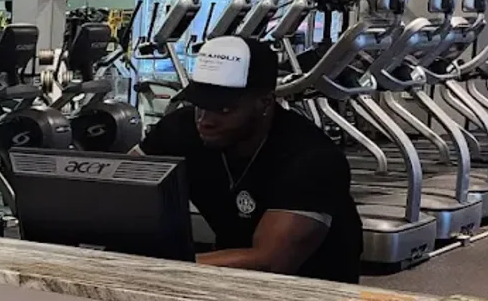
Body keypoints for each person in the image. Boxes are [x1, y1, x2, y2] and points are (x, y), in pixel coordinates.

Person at [137, 36, 363, 282]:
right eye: (200, 105)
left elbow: (269, 261)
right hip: (228, 275)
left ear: (264, 103)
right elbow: (119, 183)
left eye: (224, 109)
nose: (205, 120)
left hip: (314, 290)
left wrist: (156, 267)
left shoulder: (311, 157)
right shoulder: (181, 128)